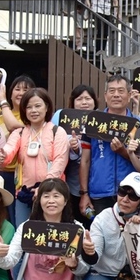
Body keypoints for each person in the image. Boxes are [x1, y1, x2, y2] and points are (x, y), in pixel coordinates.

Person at [0, 87, 69, 226]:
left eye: (38, 106)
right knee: (23, 232)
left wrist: (44, 187)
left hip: (51, 193)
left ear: (46, 107)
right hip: (24, 193)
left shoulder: (57, 132)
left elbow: (60, 161)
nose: (33, 110)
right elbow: (8, 151)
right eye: (29, 107)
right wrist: (1, 155)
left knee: (49, 232)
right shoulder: (19, 133)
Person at [79, 75, 140, 218]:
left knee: (129, 237)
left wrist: (124, 151)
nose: (116, 95)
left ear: (129, 95)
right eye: (111, 91)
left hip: (130, 195)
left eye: (121, 91)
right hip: (100, 193)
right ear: (105, 96)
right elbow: (85, 161)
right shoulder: (93, 123)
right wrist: (84, 193)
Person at [0, 74, 35, 221]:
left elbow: (13, 126)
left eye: (26, 90)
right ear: (11, 94)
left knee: (17, 218)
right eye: (17, 89)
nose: (21, 93)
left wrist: (2, 101)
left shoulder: (32, 117)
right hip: (1, 172)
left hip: (21, 177)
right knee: (1, 217)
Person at [61, 84, 97, 227]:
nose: (84, 102)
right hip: (74, 183)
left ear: (95, 102)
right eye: (79, 99)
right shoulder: (66, 123)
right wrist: (74, 148)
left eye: (88, 98)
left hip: (96, 182)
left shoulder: (100, 122)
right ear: (73, 102)